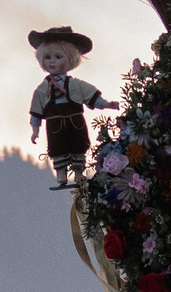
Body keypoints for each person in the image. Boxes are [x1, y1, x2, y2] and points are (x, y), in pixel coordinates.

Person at [28, 26, 113, 189]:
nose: (52, 61)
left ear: (71, 59)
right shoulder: (42, 89)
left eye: (58, 57)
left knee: (78, 144)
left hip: (74, 119)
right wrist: (35, 130)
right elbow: (36, 111)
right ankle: (61, 172)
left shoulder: (75, 85)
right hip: (54, 123)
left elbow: (91, 95)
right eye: (48, 57)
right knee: (57, 146)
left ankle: (79, 172)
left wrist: (105, 104)